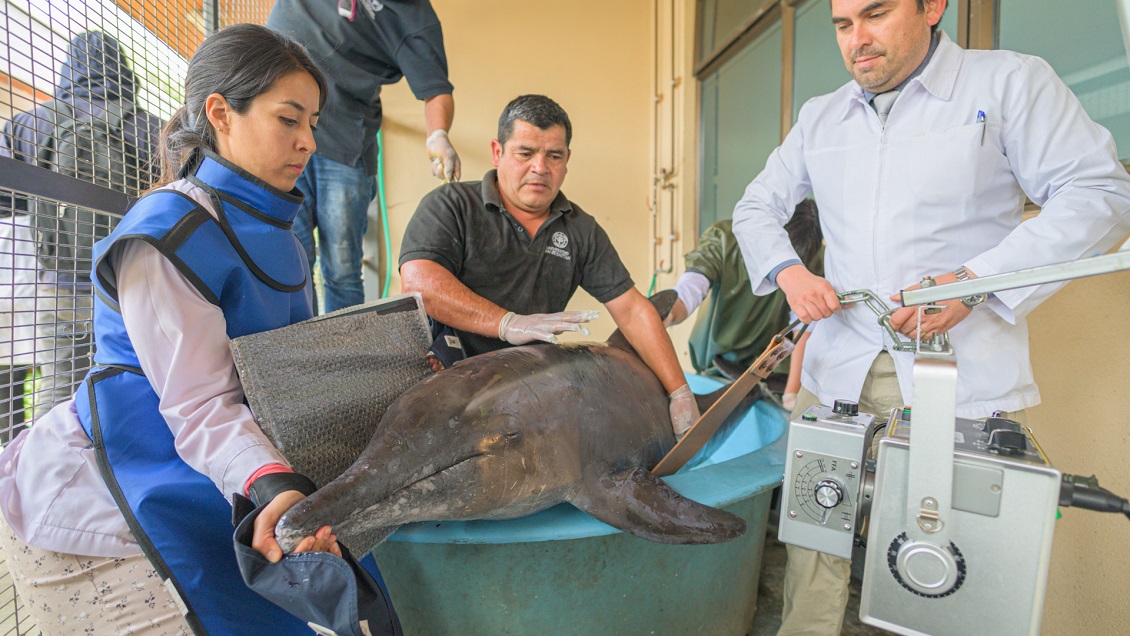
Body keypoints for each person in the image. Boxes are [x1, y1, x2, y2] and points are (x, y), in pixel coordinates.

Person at [730, 0, 1130, 634]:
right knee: (812, 552)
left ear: (932, 7)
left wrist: (976, 283)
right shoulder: (820, 116)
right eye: (841, 24)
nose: (856, 40)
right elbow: (754, 209)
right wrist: (790, 273)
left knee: (945, 565)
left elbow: (1102, 192)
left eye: (876, 14)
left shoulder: (1007, 83)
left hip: (954, 379)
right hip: (840, 372)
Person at [0, 25, 357, 634]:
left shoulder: (282, 237)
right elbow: (201, 404)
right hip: (106, 508)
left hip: (212, 477)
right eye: (288, 119)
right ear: (220, 113)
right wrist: (271, 482)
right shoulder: (169, 232)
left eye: (313, 124)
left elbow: (292, 364)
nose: (308, 142)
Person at [399, 94, 701, 437]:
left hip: (527, 392)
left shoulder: (580, 229)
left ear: (567, 160)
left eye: (553, 156)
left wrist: (679, 391)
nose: (540, 168)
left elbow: (632, 310)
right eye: (525, 153)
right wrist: (506, 323)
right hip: (442, 382)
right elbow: (419, 282)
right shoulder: (450, 205)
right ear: (498, 152)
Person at [0, 31, 163, 421]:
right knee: (127, 385)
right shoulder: (152, 128)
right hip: (127, 285)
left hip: (56, 284)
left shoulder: (28, 124)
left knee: (58, 389)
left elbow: (7, 203)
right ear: (123, 70)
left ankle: (39, 472)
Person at [267, 0, 461, 313]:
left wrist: (437, 135)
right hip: (281, 133)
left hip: (345, 142)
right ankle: (296, 354)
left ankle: (343, 357)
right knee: (293, 259)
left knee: (342, 269)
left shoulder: (414, 16)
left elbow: (435, 89)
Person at [666, 200, 822, 393]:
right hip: (718, 364)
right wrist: (667, 313)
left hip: (772, 370)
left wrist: (792, 393)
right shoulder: (723, 239)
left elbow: (803, 326)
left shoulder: (811, 253)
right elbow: (690, 289)